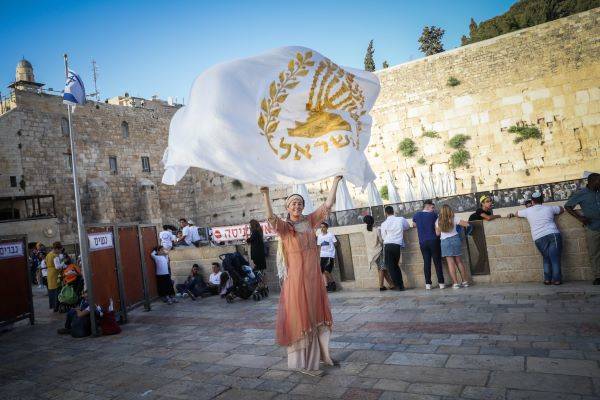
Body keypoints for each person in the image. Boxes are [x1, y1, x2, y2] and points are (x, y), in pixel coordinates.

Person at [260, 176, 342, 374]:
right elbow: (271, 219)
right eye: (293, 203)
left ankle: (322, 355)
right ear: (288, 208)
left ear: (303, 206)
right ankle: (303, 363)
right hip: (296, 280)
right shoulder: (286, 228)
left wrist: (336, 181)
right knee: (301, 318)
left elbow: (328, 204)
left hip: (313, 279)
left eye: (299, 203)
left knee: (315, 316)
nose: (297, 206)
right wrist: (266, 194)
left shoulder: (310, 221)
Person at [516, 191, 564, 285]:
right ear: (542, 200)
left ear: (532, 201)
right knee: (554, 258)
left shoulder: (527, 211)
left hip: (538, 237)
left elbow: (517, 213)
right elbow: (561, 209)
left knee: (546, 257)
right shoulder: (549, 208)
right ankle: (557, 280)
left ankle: (547, 279)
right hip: (553, 234)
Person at [565, 173, 600, 285]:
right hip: (593, 228)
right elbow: (568, 206)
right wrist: (580, 218)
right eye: (599, 181)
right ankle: (598, 276)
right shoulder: (581, 194)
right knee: (594, 253)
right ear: (592, 182)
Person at [435, 205, 471, 289]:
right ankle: (465, 281)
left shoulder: (438, 221)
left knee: (450, 263)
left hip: (445, 241)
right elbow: (467, 224)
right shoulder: (454, 218)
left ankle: (455, 283)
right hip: (455, 239)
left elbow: (437, 233)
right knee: (459, 261)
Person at [412, 200, 445, 290]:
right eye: (432, 207)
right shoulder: (433, 215)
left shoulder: (416, 215)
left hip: (422, 242)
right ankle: (441, 283)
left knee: (426, 262)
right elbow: (438, 226)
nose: (433, 209)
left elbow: (414, 225)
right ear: (427, 206)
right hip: (433, 240)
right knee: (437, 262)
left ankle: (428, 284)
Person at [380, 205, 411, 291]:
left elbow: (383, 236)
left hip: (388, 245)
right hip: (397, 245)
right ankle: (401, 285)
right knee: (396, 266)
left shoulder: (384, 224)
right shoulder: (400, 219)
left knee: (391, 267)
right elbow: (407, 227)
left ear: (386, 213)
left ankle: (397, 285)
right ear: (393, 211)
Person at [362, 215, 394, 291]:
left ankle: (391, 284)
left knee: (383, 268)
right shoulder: (376, 230)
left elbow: (365, 226)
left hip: (372, 253)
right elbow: (381, 240)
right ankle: (381, 286)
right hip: (379, 252)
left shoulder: (364, 230)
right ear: (373, 222)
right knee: (382, 268)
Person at [45, 242, 66, 312]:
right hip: (55, 274)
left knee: (51, 290)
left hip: (49, 273)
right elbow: (58, 266)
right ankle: (56, 307)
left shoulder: (48, 254)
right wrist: (63, 262)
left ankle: (53, 306)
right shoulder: (55, 256)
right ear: (56, 249)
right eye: (59, 250)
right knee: (56, 290)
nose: (60, 251)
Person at [317, 222, 337, 292]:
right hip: (322, 255)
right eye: (321, 227)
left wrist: (332, 252)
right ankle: (326, 286)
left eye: (323, 227)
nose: (322, 229)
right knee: (322, 271)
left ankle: (333, 283)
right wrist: (318, 256)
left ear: (327, 228)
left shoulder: (330, 235)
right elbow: (319, 246)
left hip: (330, 255)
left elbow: (335, 243)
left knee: (327, 271)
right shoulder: (319, 236)